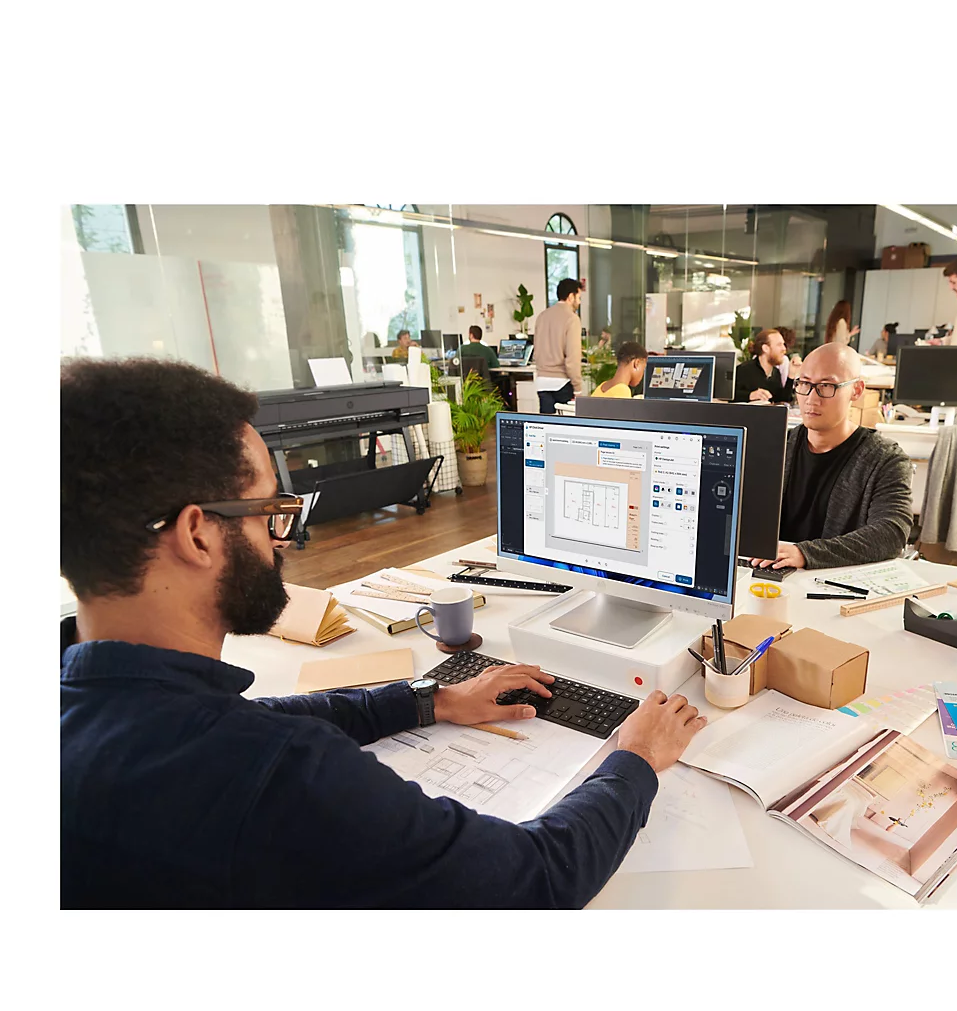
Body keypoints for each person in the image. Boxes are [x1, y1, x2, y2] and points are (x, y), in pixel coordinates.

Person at [59, 358, 708, 908]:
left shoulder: (92, 713)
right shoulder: (276, 774)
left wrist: (430, 699)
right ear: (197, 534)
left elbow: (248, 722)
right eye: (270, 514)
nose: (284, 543)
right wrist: (635, 760)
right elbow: (535, 879)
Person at [748, 344, 913, 571]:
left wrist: (805, 553)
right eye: (804, 384)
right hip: (768, 579)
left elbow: (891, 533)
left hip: (834, 586)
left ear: (856, 390)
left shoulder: (885, 459)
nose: (811, 398)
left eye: (826, 386)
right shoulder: (777, 446)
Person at [533, 278, 584, 414]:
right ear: (570, 296)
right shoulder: (572, 319)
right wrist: (578, 388)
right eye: (578, 297)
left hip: (542, 382)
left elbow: (536, 351)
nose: (579, 302)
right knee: (564, 430)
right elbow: (572, 359)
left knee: (546, 427)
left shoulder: (542, 316)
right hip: (562, 383)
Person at [734, 328, 794, 404]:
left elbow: (782, 399)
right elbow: (728, 395)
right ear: (765, 348)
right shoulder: (744, 370)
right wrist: (750, 395)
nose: (784, 349)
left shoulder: (775, 372)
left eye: (783, 344)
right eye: (779, 345)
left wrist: (791, 376)